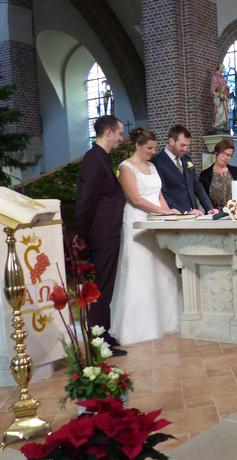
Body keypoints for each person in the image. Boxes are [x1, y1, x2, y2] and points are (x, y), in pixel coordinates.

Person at [110, 128, 181, 345]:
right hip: (137, 220)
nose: (153, 152)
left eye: (154, 148)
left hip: (156, 220)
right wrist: (162, 213)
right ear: (138, 146)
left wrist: (171, 216)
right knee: (140, 270)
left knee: (163, 266)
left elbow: (158, 195)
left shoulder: (151, 166)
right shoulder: (125, 167)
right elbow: (135, 199)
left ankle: (167, 321)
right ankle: (139, 327)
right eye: (149, 148)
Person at [74, 115, 126, 356]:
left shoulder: (101, 157)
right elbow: (86, 201)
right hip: (102, 233)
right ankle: (98, 343)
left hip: (108, 231)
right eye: (119, 133)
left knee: (106, 286)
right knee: (101, 288)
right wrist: (81, 233)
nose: (121, 138)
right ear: (108, 133)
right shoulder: (93, 159)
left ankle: (103, 334)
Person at [152, 125, 216, 216]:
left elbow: (197, 185)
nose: (186, 149)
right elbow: (163, 193)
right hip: (173, 215)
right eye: (182, 145)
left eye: (187, 145)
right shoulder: (157, 162)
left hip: (193, 212)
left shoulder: (187, 159)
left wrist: (209, 208)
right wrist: (183, 212)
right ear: (171, 141)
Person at [199, 139, 237, 210]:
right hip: (214, 214)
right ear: (216, 153)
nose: (226, 158)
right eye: (224, 154)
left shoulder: (236, 171)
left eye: (229, 155)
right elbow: (203, 197)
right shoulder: (205, 174)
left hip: (235, 213)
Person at [211, 64, 230, 131]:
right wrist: (219, 92)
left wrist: (226, 87)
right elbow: (213, 88)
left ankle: (223, 124)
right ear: (218, 68)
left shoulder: (222, 78)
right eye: (222, 68)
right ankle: (218, 124)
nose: (223, 69)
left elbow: (225, 87)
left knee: (225, 112)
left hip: (224, 97)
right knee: (220, 111)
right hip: (219, 97)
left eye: (223, 68)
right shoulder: (215, 77)